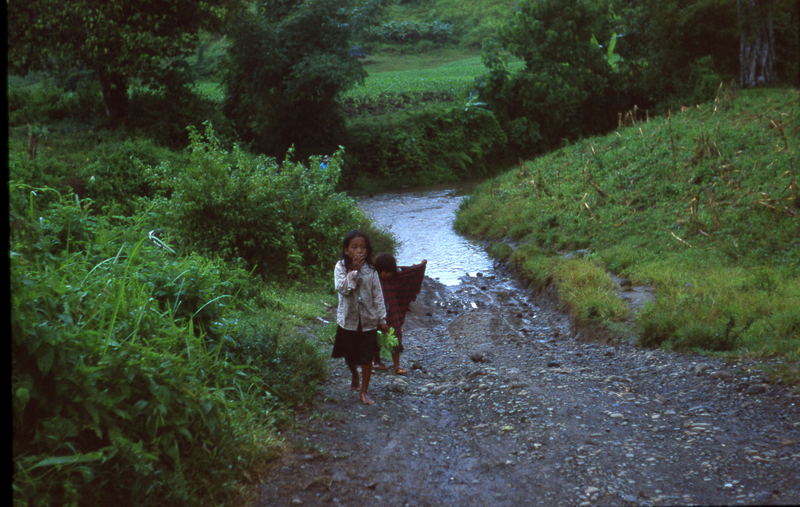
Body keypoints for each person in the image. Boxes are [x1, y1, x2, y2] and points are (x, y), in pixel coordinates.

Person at [332, 230, 388, 405]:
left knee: (366, 357)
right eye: (354, 247)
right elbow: (343, 289)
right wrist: (354, 272)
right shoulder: (340, 267)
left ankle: (364, 391)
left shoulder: (371, 271)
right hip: (348, 320)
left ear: (368, 250)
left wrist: (382, 320)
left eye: (363, 247)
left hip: (368, 321)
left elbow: (377, 295)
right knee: (349, 355)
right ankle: (354, 375)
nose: (359, 251)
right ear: (347, 250)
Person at [372, 253, 427, 375]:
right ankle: (376, 362)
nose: (386, 275)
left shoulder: (395, 279)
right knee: (376, 338)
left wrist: (421, 266)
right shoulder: (373, 281)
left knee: (396, 338)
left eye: (388, 272)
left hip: (393, 314)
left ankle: (396, 366)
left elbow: (408, 273)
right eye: (383, 272)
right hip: (377, 316)